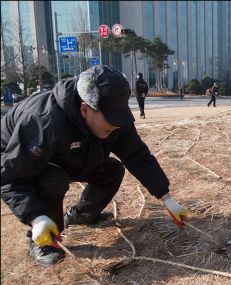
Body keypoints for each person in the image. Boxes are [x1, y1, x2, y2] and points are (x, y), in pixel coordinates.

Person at [1, 65, 188, 266]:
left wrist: (166, 197)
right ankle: (43, 241)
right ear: (85, 109)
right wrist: (36, 217)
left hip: (73, 154)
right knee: (54, 179)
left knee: (112, 171)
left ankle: (82, 215)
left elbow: (138, 156)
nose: (117, 125)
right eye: (111, 119)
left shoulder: (115, 122)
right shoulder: (42, 121)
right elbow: (12, 176)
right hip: (25, 159)